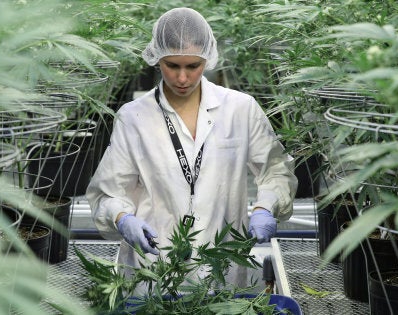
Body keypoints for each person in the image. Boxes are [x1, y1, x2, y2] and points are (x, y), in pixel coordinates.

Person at [86, 7, 297, 287]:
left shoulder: (240, 109)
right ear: (157, 58)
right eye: (172, 66)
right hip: (153, 266)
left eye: (192, 66)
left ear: (207, 59)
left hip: (222, 266)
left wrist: (265, 206)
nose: (182, 78)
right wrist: (123, 218)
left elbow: (276, 170)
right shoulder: (134, 116)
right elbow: (108, 191)